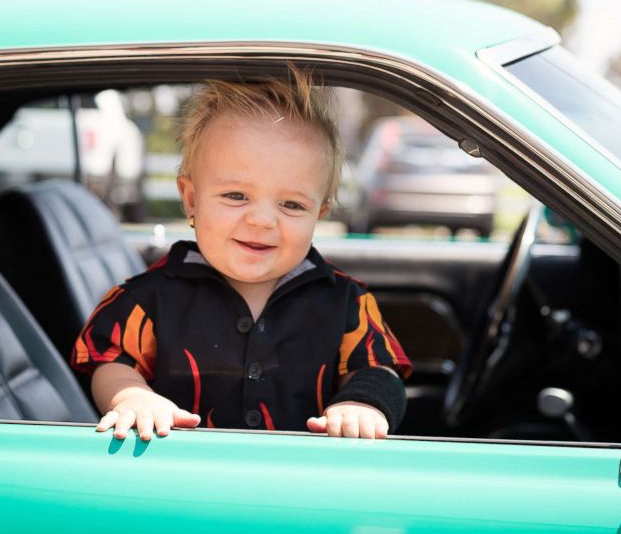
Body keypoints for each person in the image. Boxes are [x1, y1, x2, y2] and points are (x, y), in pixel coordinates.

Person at [71, 69, 412, 441]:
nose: (263, 220)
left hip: (303, 484)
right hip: (179, 483)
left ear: (320, 213)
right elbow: (110, 361)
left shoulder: (348, 302)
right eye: (236, 196)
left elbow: (379, 369)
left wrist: (363, 404)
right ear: (190, 199)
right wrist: (132, 396)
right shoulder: (145, 298)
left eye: (292, 204)